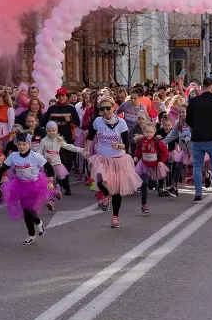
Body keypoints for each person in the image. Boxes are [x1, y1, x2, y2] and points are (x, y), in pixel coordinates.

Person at [84, 97, 142, 228]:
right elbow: (91, 136)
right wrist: (87, 149)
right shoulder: (98, 121)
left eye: (108, 108)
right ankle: (105, 193)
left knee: (116, 190)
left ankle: (115, 216)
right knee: (99, 181)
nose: (105, 111)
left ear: (113, 108)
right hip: (102, 158)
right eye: (102, 109)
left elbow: (127, 143)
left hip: (118, 160)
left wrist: (119, 146)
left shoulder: (121, 123)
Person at [0, 132, 49, 244]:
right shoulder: (13, 156)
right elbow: (4, 167)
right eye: (19, 144)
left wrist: (50, 180)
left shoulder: (35, 156)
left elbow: (48, 167)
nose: (21, 147)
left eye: (24, 144)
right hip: (20, 185)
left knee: (29, 209)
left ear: (29, 144)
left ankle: (38, 222)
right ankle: (31, 234)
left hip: (35, 185)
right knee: (26, 212)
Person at [185, 77, 212, 202]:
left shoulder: (194, 101)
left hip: (198, 137)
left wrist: (196, 127)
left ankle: (198, 193)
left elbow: (188, 119)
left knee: (197, 166)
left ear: (201, 87)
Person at [39, 121, 83, 205]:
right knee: (49, 182)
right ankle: (52, 199)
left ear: (56, 130)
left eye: (53, 130)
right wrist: (44, 157)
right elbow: (39, 152)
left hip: (57, 164)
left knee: (54, 181)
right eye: (49, 131)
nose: (51, 132)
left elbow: (69, 146)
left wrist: (81, 150)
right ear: (46, 131)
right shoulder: (43, 140)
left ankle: (56, 192)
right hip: (47, 165)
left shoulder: (59, 140)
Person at [133, 122, 169, 214]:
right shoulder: (141, 141)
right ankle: (144, 205)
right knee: (144, 183)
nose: (148, 134)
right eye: (146, 132)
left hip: (155, 166)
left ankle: (153, 185)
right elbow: (138, 149)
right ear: (143, 132)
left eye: (151, 132)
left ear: (154, 132)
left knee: (151, 185)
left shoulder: (157, 142)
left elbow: (165, 152)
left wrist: (162, 161)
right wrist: (136, 156)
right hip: (144, 165)